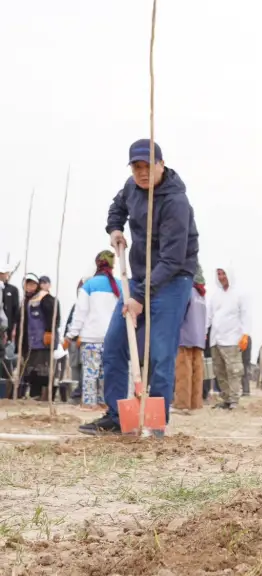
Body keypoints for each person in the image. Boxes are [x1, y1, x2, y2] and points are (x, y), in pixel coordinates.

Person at [80, 139, 198, 435]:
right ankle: (119, 418)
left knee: (159, 351)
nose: (142, 172)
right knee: (115, 343)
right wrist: (115, 228)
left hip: (173, 279)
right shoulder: (131, 187)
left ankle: (156, 423)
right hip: (140, 276)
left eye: (148, 166)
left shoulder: (176, 202)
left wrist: (141, 296)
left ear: (161, 164)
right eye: (137, 166)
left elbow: (171, 260)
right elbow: (117, 207)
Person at [65, 252, 121, 409]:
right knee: (105, 373)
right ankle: (104, 402)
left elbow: (80, 313)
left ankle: (90, 403)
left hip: (91, 338)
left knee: (90, 373)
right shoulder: (120, 285)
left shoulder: (88, 285)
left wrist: (71, 334)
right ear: (112, 265)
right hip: (112, 338)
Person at [208, 265, 251, 410]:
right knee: (219, 371)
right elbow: (209, 316)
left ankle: (234, 400)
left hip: (232, 339)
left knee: (233, 371)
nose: (221, 277)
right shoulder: (215, 296)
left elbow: (245, 315)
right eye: (218, 274)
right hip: (216, 339)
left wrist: (245, 334)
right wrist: (204, 332)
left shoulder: (239, 294)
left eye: (223, 274)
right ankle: (225, 398)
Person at [18, 273, 60, 399]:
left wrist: (49, 332)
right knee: (31, 371)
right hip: (29, 342)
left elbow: (54, 317)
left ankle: (44, 397)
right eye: (27, 284)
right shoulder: (26, 300)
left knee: (43, 371)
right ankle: (33, 395)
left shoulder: (45, 298)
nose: (30, 287)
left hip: (42, 342)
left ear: (37, 285)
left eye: (32, 284)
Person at [173, 269, 207, 411]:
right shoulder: (202, 294)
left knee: (183, 371)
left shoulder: (187, 290)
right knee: (197, 372)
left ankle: (182, 404)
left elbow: (179, 312)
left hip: (185, 335)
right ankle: (195, 403)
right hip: (198, 337)